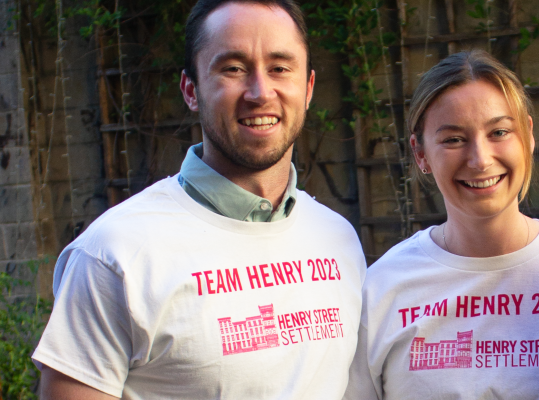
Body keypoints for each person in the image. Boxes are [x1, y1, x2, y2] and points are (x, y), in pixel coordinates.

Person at [32, 0, 367, 398]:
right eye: (233, 69)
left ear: (308, 88)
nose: (260, 92)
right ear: (191, 90)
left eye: (280, 68)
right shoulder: (114, 255)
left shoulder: (338, 238)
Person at [343, 49, 539, 399]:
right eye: (453, 139)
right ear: (420, 153)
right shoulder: (385, 287)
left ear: (527, 134)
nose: (480, 160)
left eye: (498, 132)